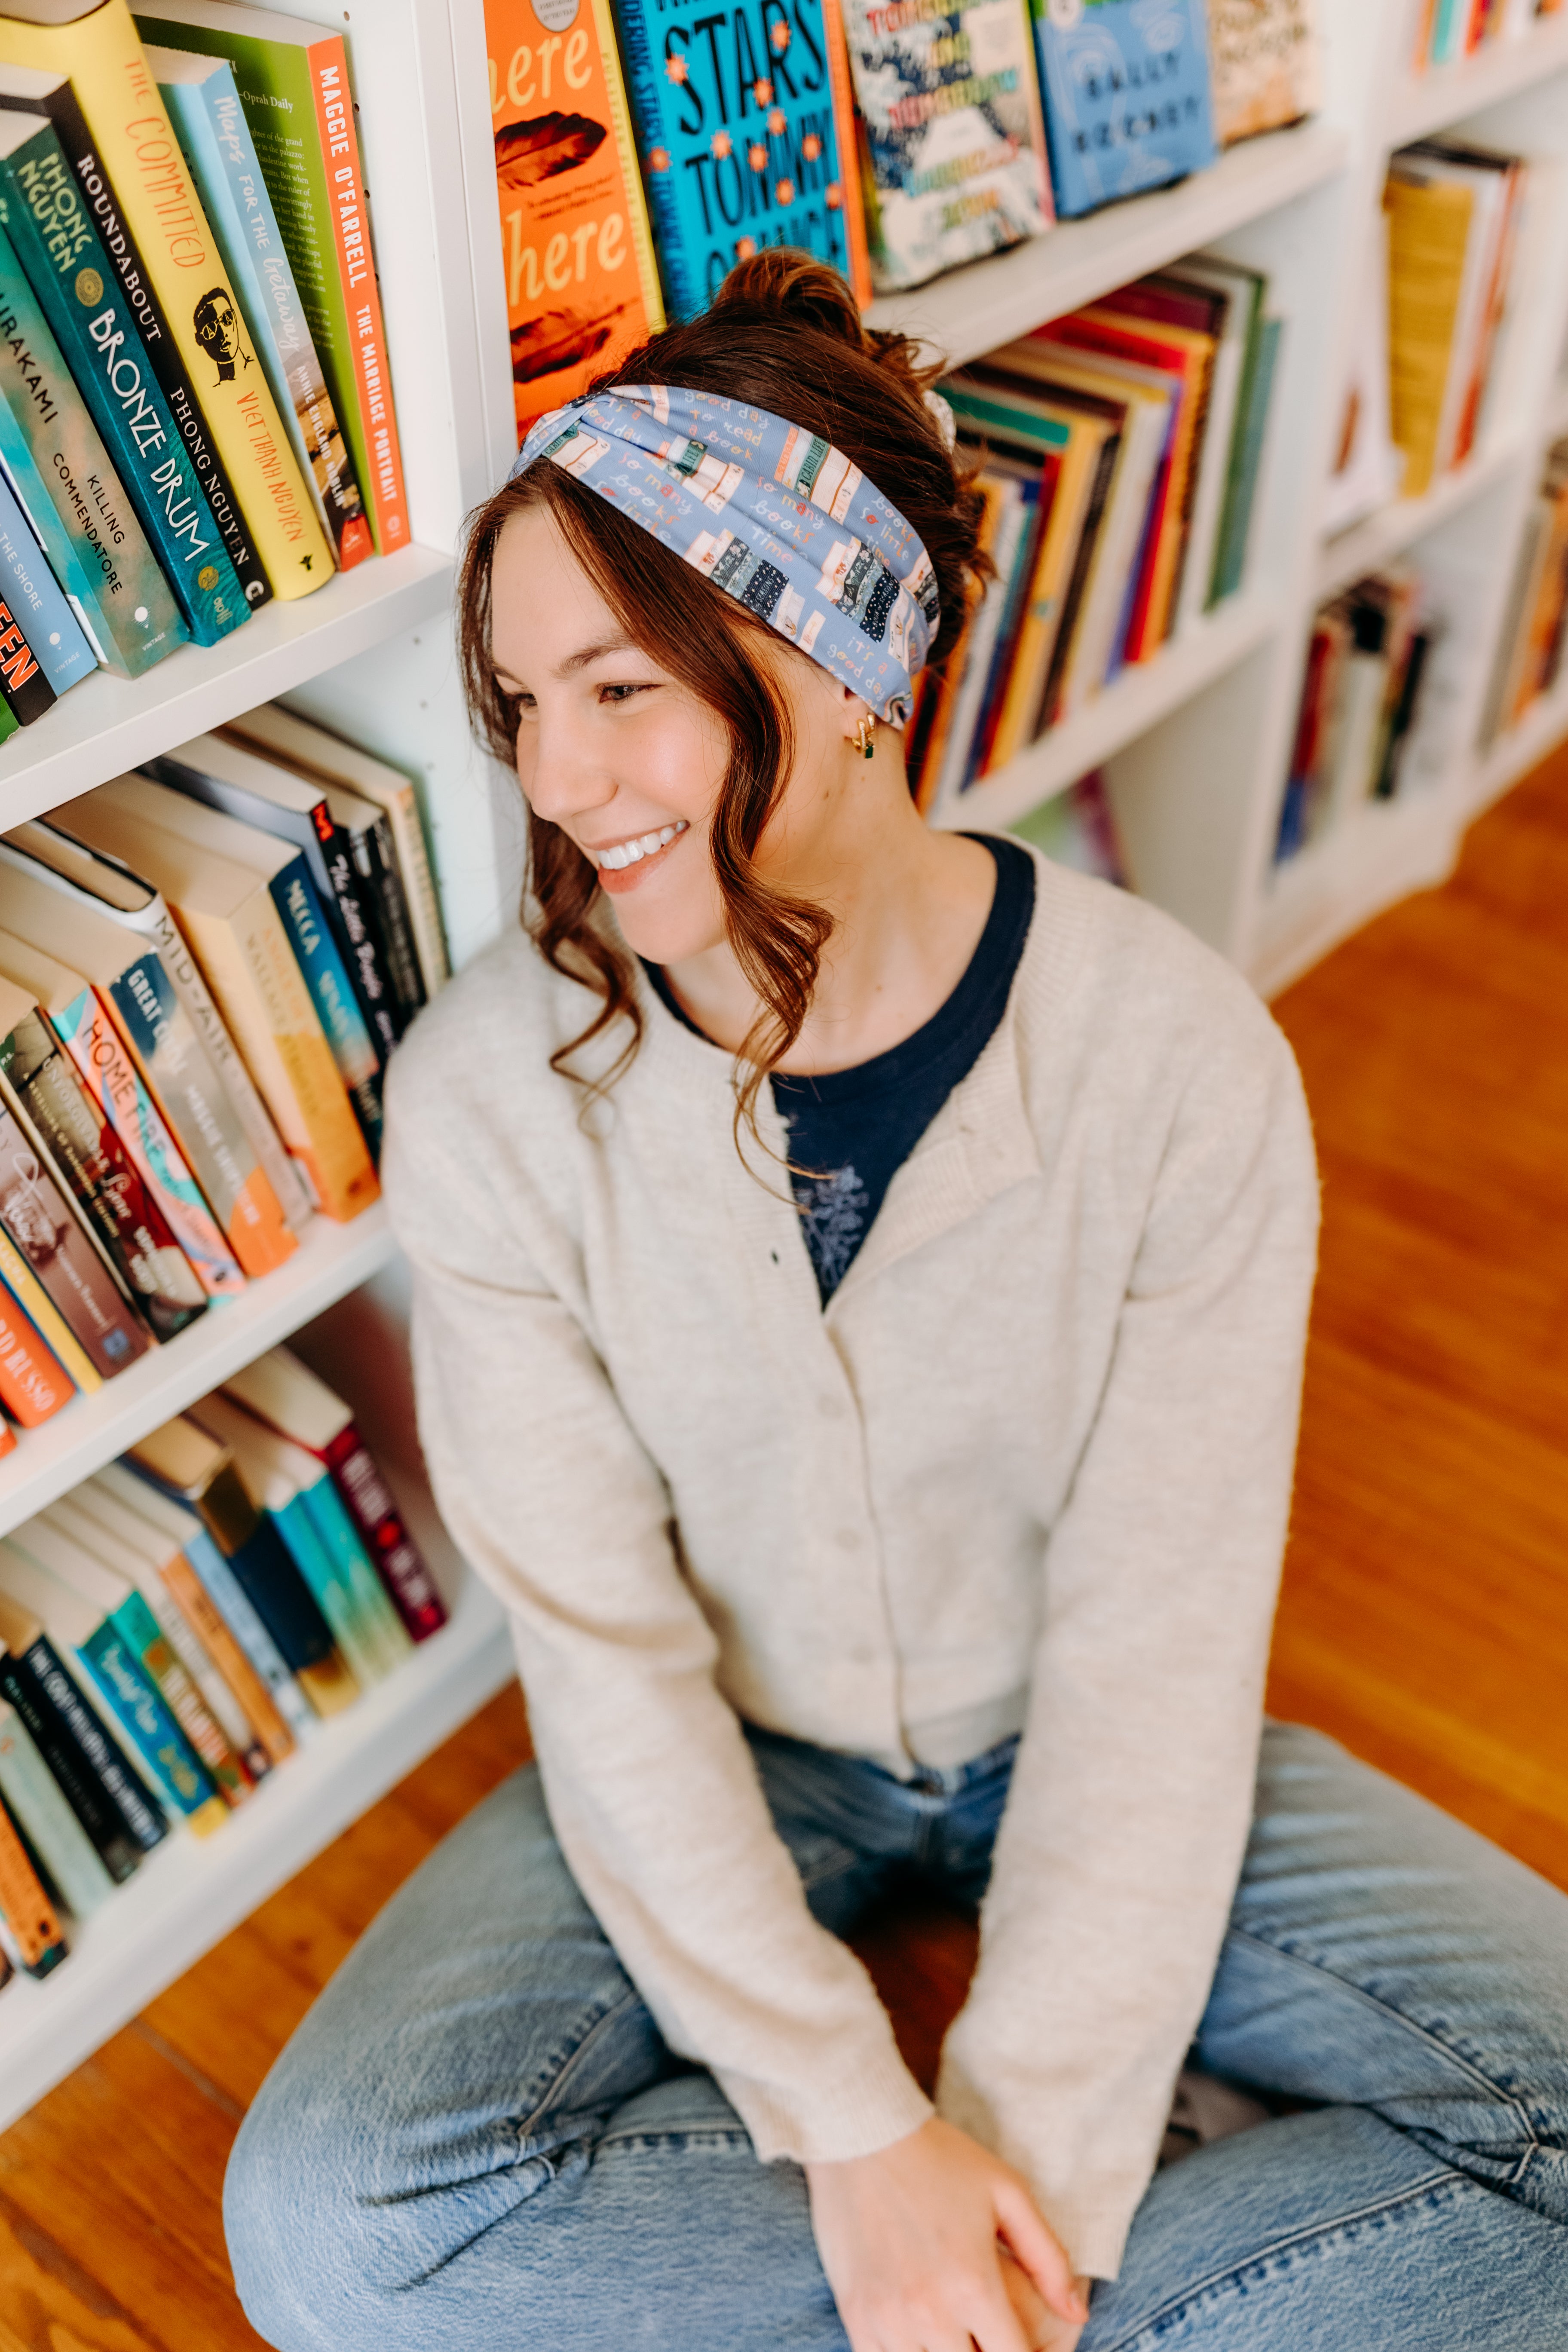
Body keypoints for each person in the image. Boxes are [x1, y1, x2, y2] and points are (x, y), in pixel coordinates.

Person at [223, 254, 1568, 2352]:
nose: (558, 781)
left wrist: (1006, 2136)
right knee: (327, 2223)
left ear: (845, 658)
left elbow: (1155, 1631)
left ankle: (980, 2285)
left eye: (621, 686)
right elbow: (601, 1648)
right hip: (738, 1746)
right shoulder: (491, 1098)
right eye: (518, 707)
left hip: (1091, 1733)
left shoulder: (1178, 1062)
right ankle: (1129, 2280)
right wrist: (863, 2142)